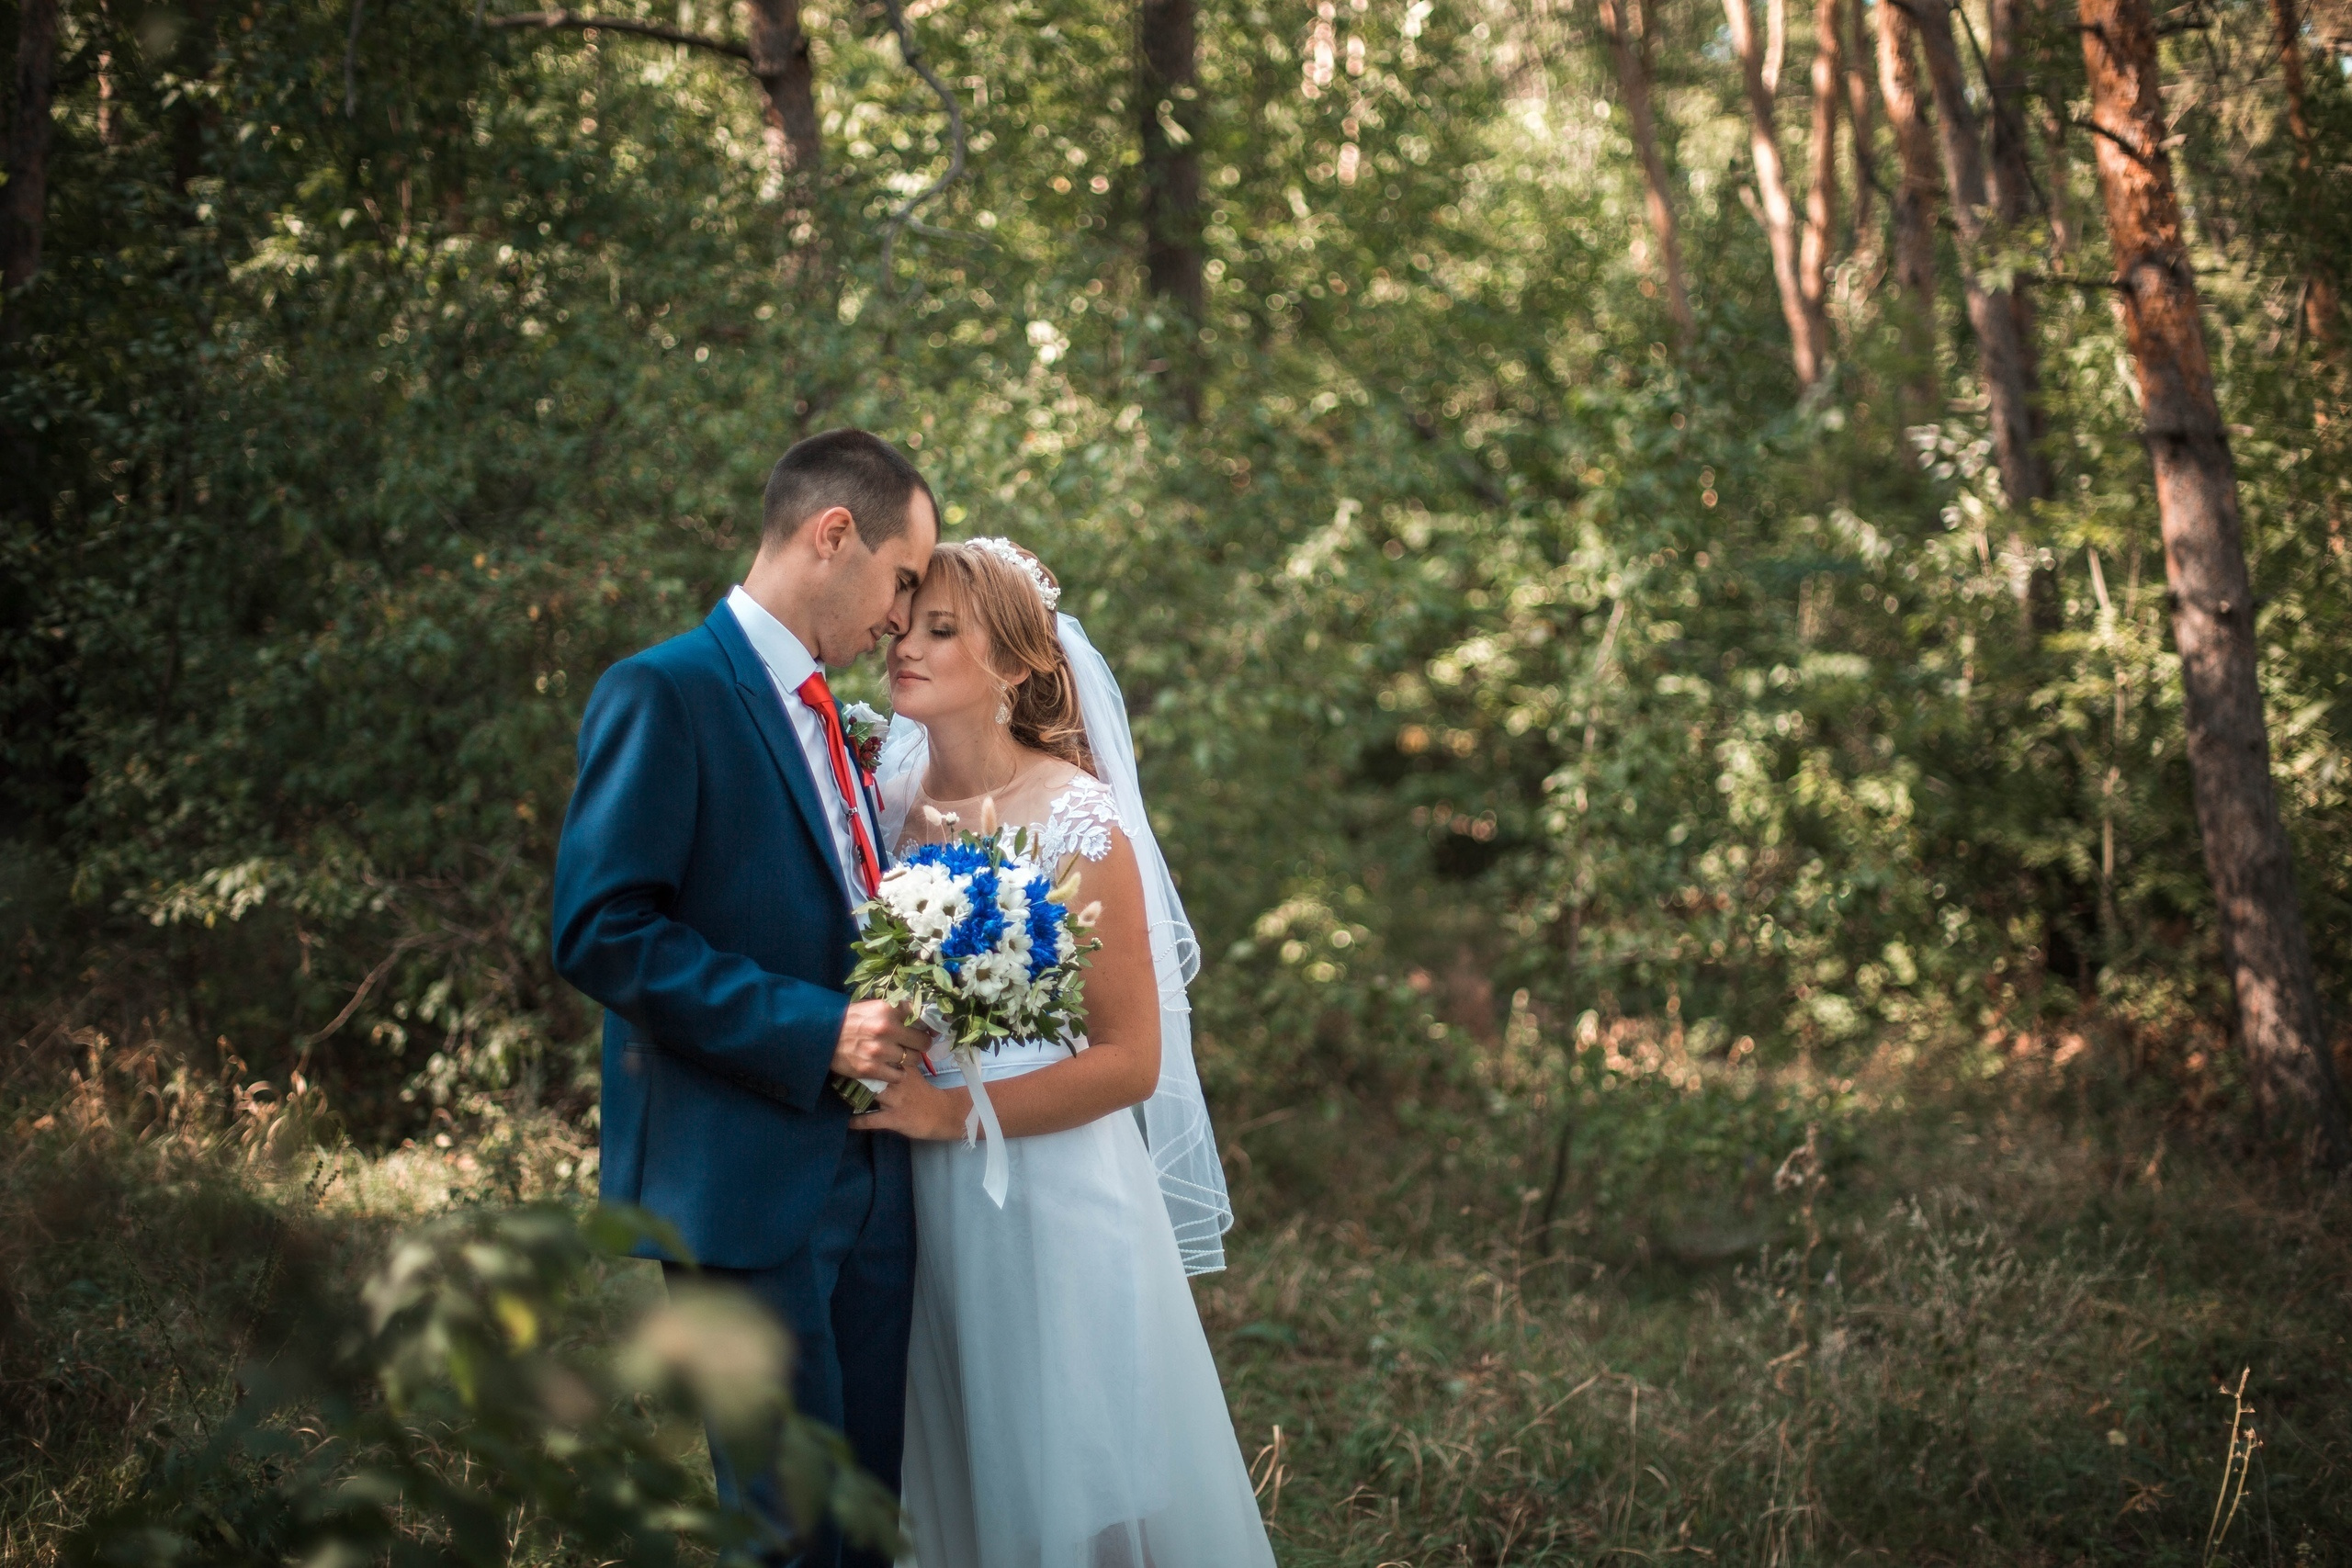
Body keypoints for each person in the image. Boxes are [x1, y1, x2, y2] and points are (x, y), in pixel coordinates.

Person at [551, 427, 939, 1568]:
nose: (902, 618)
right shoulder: (665, 691)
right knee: (788, 1530)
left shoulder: (837, 719)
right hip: (742, 1178)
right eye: (901, 581)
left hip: (875, 1176)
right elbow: (601, 929)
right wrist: (818, 1030)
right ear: (834, 535)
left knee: (866, 1518)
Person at [855, 538, 1277, 1568]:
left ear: (1012, 664)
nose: (905, 645)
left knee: (1067, 1473)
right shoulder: (883, 798)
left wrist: (954, 1114)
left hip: (1046, 1186)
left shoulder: (1079, 820)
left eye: (941, 630)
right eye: (905, 623)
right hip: (913, 1191)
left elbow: (1132, 1060)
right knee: (956, 1468)